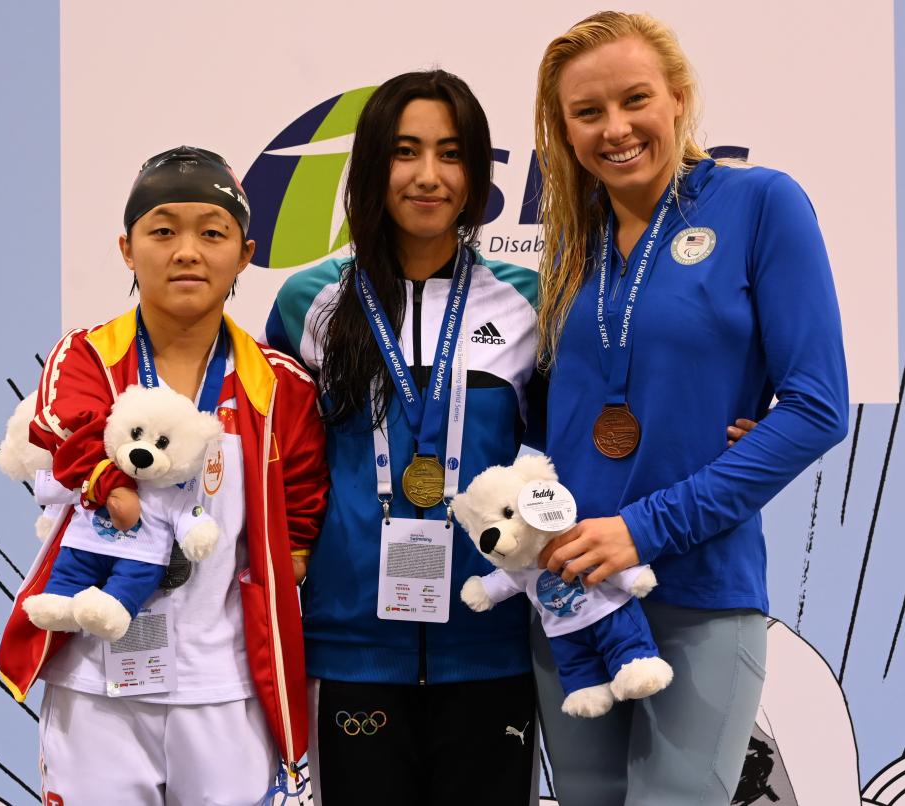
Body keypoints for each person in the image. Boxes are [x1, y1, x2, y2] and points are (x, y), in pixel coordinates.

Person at [531, 12, 850, 806]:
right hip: (571, 593)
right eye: (588, 113)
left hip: (698, 588)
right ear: (564, 133)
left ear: (678, 97)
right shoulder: (572, 244)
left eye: (635, 99)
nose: (616, 129)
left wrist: (644, 527)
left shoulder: (760, 203)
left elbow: (817, 407)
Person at [0, 146, 328, 804]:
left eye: (212, 232)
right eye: (163, 230)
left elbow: (302, 518)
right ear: (126, 248)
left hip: (226, 687)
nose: (187, 251)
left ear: (245, 250)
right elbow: (69, 437)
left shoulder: (282, 387)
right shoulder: (86, 356)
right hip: (97, 681)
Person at [266, 71, 541, 805]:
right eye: (404, 152)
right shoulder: (307, 302)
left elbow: (563, 451)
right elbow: (281, 466)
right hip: (353, 646)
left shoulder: (528, 300)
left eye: (450, 154)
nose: (428, 176)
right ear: (370, 168)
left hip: (492, 640)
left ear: (479, 172)